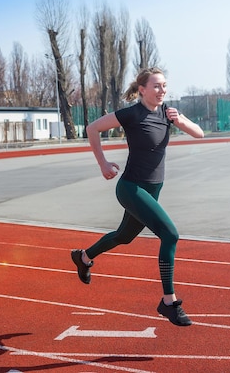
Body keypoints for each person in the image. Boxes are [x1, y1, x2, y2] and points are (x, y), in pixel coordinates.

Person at [71, 67, 204, 326]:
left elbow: (199, 133)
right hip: (131, 188)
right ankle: (168, 301)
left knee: (124, 236)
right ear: (142, 90)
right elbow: (93, 128)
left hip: (154, 188)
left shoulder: (169, 113)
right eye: (156, 86)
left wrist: (181, 121)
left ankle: (84, 257)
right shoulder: (132, 113)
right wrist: (103, 164)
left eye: (164, 86)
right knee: (170, 235)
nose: (162, 90)